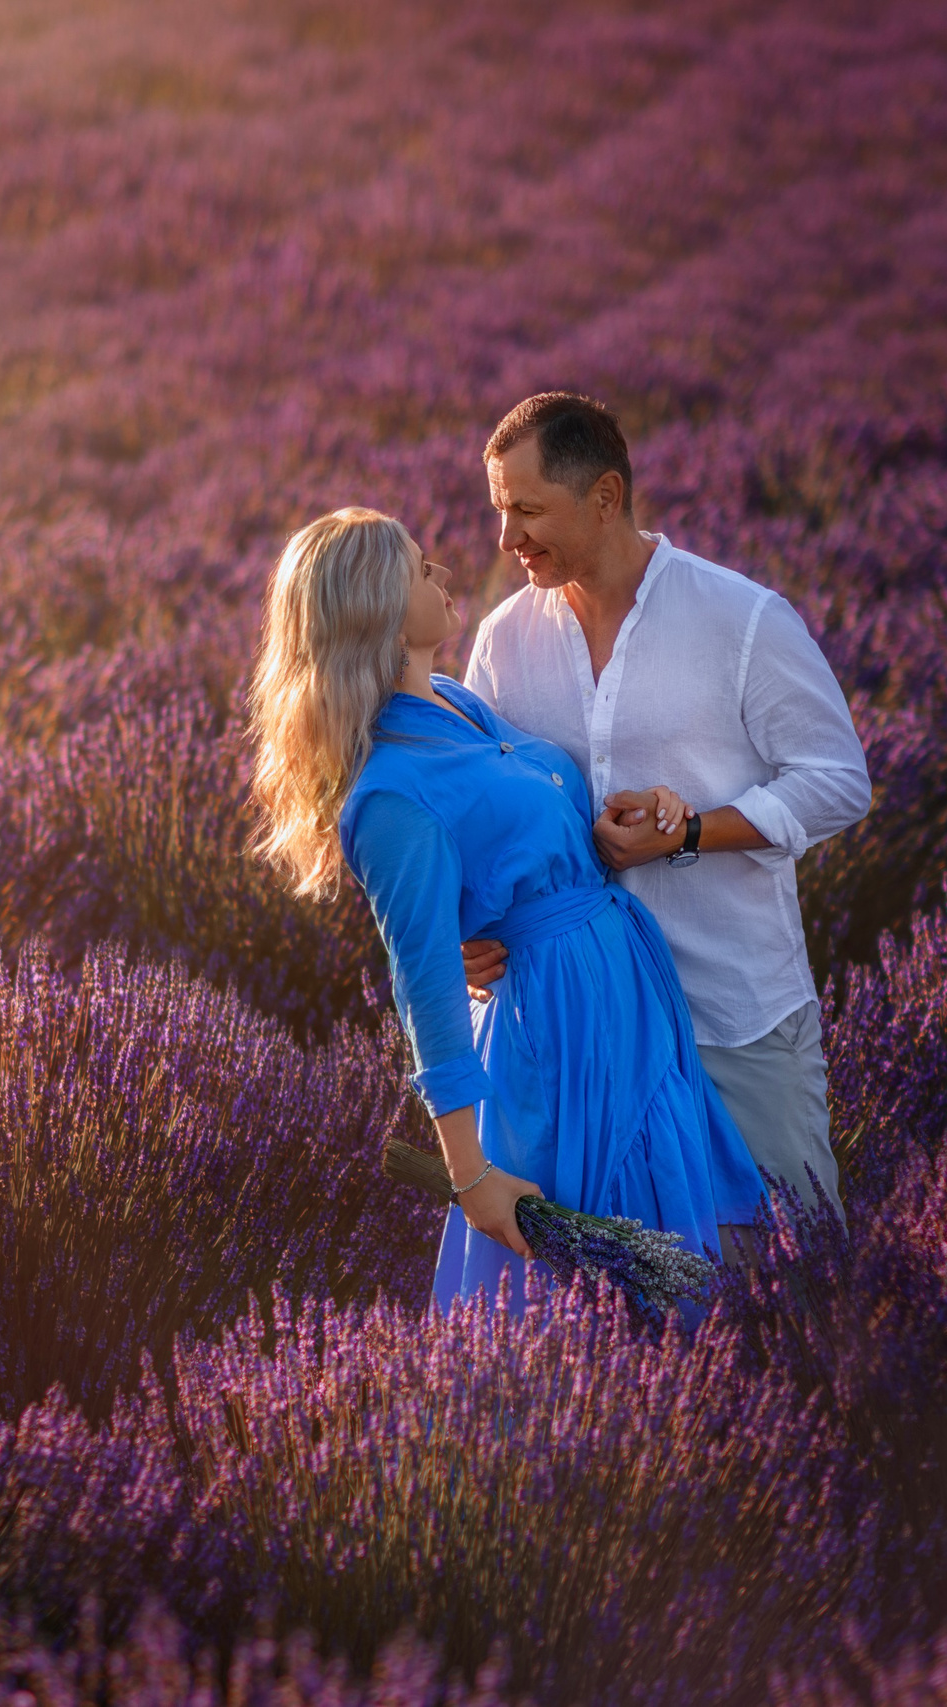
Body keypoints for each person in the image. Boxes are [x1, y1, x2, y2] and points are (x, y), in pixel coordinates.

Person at [248, 506, 768, 1311]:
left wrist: (611, 828)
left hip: (624, 1005)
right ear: (377, 607)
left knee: (676, 1255)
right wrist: (472, 1175)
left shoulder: (456, 702)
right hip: (552, 1035)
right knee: (585, 1290)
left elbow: (518, 840)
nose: (443, 575)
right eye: (420, 570)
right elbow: (423, 988)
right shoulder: (390, 795)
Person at [462, 394, 871, 1226]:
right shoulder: (504, 641)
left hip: (731, 1015)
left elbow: (836, 779)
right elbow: (476, 819)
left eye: (529, 510)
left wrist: (687, 833)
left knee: (792, 1276)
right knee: (623, 1308)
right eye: (501, 510)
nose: (507, 539)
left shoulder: (741, 618)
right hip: (586, 1036)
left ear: (605, 497)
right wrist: (462, 932)